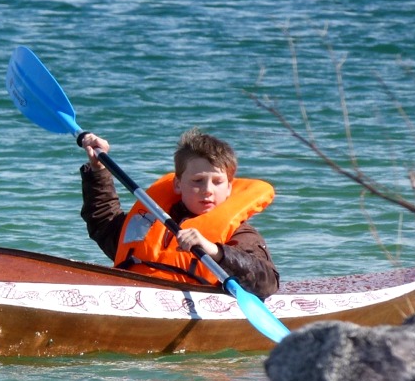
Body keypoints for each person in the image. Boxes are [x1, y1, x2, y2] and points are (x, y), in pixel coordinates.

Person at [79, 128, 280, 299]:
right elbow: (103, 223)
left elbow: (268, 283)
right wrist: (99, 170)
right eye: (197, 181)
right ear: (177, 184)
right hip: (130, 292)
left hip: (187, 302)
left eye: (217, 182)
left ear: (229, 188)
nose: (208, 190)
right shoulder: (152, 218)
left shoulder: (239, 234)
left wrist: (216, 252)